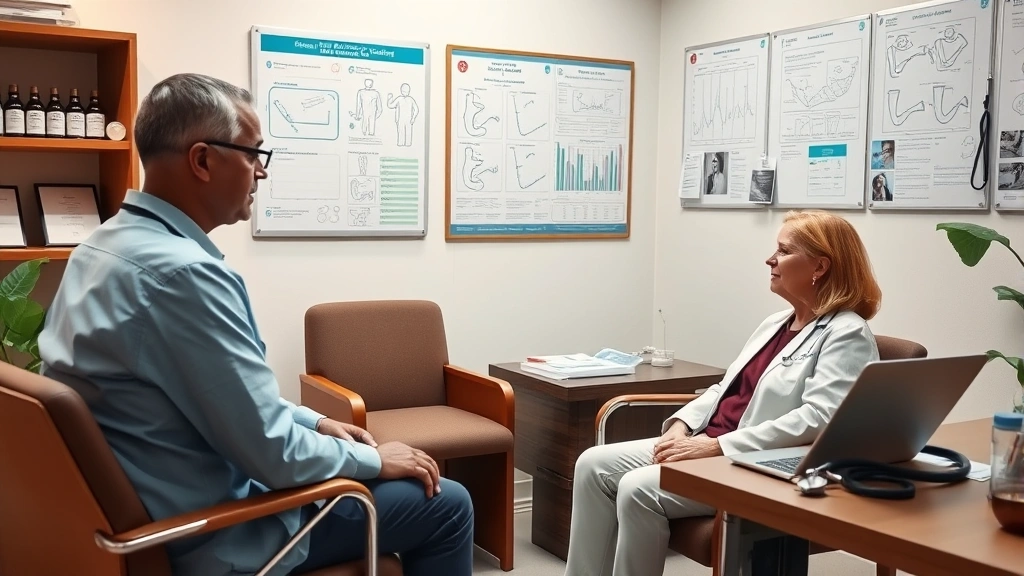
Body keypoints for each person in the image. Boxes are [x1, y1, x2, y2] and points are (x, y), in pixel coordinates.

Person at [37, 73, 473, 576]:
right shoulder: (187, 276)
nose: (261, 174)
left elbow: (218, 391)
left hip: (142, 508)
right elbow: (273, 455)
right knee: (446, 504)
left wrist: (314, 420)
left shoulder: (101, 245)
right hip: (216, 532)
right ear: (202, 160)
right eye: (253, 154)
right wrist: (378, 461)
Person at [563, 210, 882, 576]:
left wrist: (716, 447)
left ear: (819, 267)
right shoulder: (775, 323)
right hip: (709, 443)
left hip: (752, 461)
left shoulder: (847, 333)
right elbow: (725, 388)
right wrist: (683, 424)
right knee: (591, 463)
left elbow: (820, 418)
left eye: (783, 250)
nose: (770, 259)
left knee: (639, 488)